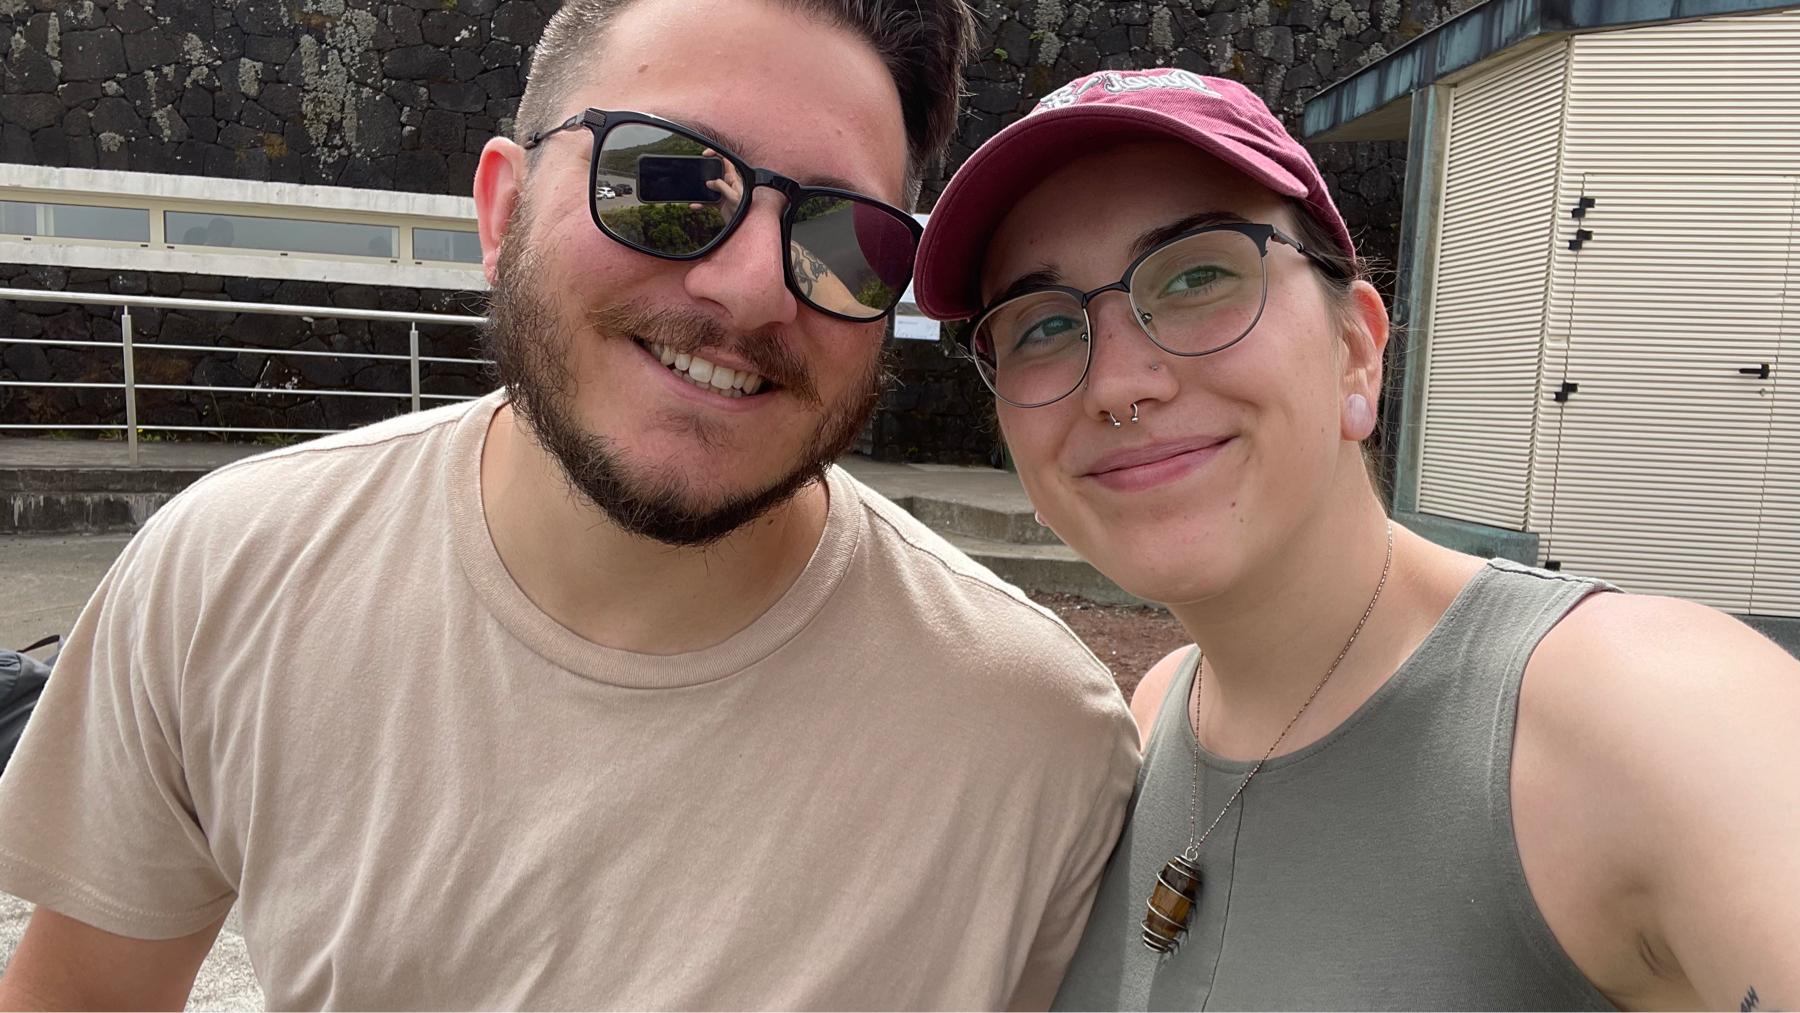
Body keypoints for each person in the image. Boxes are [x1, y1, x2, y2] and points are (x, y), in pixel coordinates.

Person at [0, 3, 1140, 1008]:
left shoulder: (1037, 744)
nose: (752, 286)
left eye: (845, 238)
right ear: (502, 211)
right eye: (667, 182)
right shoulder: (230, 572)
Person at [914, 67, 1800, 1010]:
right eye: (1043, 325)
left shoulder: (1644, 710)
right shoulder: (1158, 710)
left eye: (1199, 275)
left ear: (1357, 351)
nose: (1117, 383)